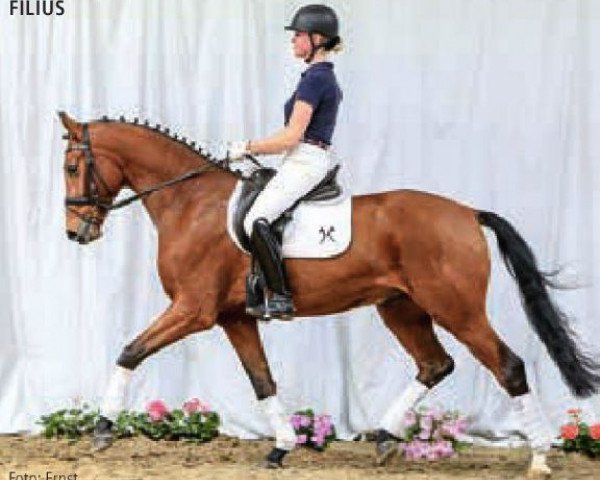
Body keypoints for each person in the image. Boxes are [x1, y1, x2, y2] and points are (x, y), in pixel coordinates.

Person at [228, 4, 343, 319]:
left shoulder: (316, 80)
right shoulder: (317, 77)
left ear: (317, 38)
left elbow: (290, 137)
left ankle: (280, 296)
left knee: (254, 220)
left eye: (298, 35)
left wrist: (246, 146)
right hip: (302, 158)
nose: (293, 41)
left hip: (306, 159)